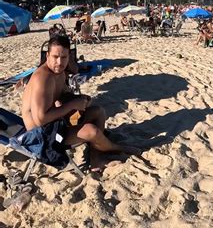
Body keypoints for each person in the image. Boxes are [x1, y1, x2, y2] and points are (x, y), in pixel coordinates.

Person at [21, 36, 140, 171]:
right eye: (55, 57)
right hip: (41, 135)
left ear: (69, 57)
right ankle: (116, 147)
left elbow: (64, 96)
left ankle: (96, 158)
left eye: (64, 57)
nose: (59, 62)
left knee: (98, 112)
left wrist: (80, 99)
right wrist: (72, 105)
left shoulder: (59, 73)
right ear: (47, 55)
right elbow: (40, 120)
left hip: (55, 124)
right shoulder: (44, 78)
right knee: (92, 131)